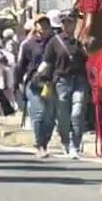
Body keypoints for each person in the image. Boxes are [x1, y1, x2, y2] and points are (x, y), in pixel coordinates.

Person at [41, 10, 88, 159]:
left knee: (77, 112)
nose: (69, 25)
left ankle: (75, 143)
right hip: (61, 80)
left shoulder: (81, 41)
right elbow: (47, 62)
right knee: (63, 115)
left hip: (80, 80)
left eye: (71, 22)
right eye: (66, 22)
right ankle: (66, 141)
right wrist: (41, 76)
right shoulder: (55, 41)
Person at [15, 14, 54, 158]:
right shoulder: (28, 44)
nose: (43, 27)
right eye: (40, 24)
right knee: (39, 113)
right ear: (35, 26)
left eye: (46, 24)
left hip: (51, 83)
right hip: (34, 83)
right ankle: (40, 144)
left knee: (50, 117)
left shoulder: (54, 42)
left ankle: (45, 141)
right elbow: (21, 65)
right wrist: (17, 83)